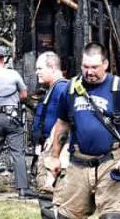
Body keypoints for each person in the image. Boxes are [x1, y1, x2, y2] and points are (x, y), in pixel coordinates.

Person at [49, 42, 120, 219]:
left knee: (112, 216)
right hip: (78, 164)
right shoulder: (70, 88)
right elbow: (62, 124)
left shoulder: (118, 87)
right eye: (85, 66)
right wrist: (54, 157)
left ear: (105, 64)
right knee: (65, 216)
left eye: (94, 67)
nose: (89, 72)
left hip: (110, 163)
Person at [0, 45, 31, 198]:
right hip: (13, 117)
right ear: (3, 59)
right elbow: (24, 95)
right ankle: (22, 190)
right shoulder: (14, 74)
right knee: (17, 153)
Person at [31, 51, 70, 219]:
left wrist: (56, 147)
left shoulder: (62, 88)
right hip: (47, 148)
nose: (36, 72)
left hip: (55, 149)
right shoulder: (52, 89)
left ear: (53, 68)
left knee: (49, 195)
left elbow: (67, 119)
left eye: (40, 68)